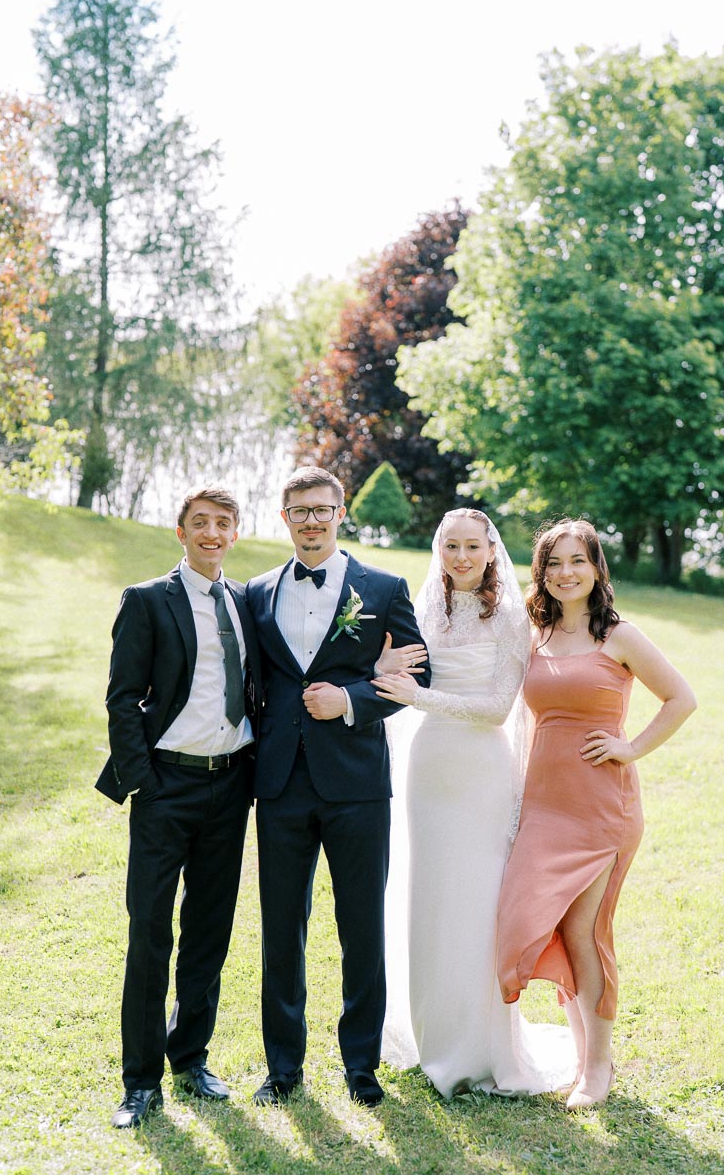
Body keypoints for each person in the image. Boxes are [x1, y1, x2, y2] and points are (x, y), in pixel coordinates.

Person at [372, 509, 576, 1098]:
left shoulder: (513, 617)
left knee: (477, 899)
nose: (461, 557)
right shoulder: (421, 609)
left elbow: (496, 708)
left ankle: (481, 1044)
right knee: (429, 892)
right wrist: (389, 674)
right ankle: (432, 1033)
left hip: (481, 770)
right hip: (429, 766)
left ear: (491, 552)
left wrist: (421, 697)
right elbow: (394, 671)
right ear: (439, 551)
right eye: (450, 546)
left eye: (471, 547)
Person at [245, 466, 430, 1108]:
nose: (312, 521)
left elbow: (418, 671)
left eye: (322, 509)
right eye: (299, 510)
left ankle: (360, 1066)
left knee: (361, 926)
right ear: (284, 516)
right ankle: (283, 1067)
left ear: (340, 511)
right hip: (279, 786)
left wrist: (350, 699)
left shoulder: (383, 586)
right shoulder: (256, 593)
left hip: (355, 784)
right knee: (281, 928)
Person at [496, 519, 697, 1110]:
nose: (565, 572)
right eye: (553, 563)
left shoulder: (620, 636)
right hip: (542, 806)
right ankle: (582, 1053)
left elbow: (681, 697)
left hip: (600, 809)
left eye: (576, 561)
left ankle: (597, 1067)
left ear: (596, 568)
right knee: (538, 924)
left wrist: (630, 746)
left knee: (585, 931)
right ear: (541, 572)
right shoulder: (534, 633)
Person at [96, 486, 261, 1129]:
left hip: (231, 788)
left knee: (209, 933)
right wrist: (145, 782)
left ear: (236, 533)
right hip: (167, 788)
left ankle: (190, 1058)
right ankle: (139, 1082)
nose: (212, 533)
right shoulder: (146, 601)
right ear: (181, 531)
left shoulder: (248, 601)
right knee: (149, 932)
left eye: (223, 524)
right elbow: (121, 697)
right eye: (201, 523)